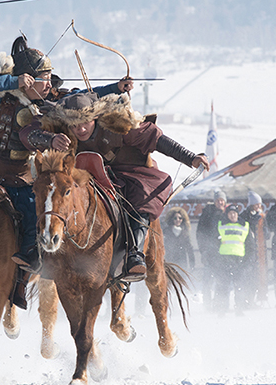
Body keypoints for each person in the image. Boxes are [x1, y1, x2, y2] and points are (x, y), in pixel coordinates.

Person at [0, 38, 131, 277]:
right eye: (44, 77)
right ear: (28, 79)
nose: (49, 83)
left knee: (38, 211)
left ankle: (27, 266)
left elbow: (84, 96)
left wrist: (116, 87)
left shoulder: (50, 103)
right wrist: (14, 80)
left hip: (23, 177)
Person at [40, 91, 209, 281]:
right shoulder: (62, 132)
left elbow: (158, 140)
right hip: (85, 179)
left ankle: (135, 253)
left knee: (141, 196)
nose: (80, 130)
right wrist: (50, 140)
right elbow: (29, 135)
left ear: (95, 117)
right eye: (74, 125)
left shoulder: (119, 125)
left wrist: (191, 158)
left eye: (84, 123)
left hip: (127, 174)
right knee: (48, 196)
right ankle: (43, 254)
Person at [215, 204, 251, 315]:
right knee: (223, 286)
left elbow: (250, 245)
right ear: (227, 214)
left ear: (237, 214)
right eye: (230, 213)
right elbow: (215, 242)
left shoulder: (245, 226)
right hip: (224, 259)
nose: (232, 215)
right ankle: (222, 309)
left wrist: (248, 261)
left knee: (239, 286)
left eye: (234, 213)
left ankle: (239, 309)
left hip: (239, 260)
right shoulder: (221, 225)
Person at [195, 190, 227, 307]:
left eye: (222, 200)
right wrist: (203, 250)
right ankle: (208, 304)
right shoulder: (207, 213)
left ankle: (219, 303)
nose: (220, 202)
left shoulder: (227, 214)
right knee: (208, 279)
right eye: (218, 200)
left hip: (224, 251)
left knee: (222, 279)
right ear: (214, 202)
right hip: (209, 251)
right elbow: (200, 233)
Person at [238, 191, 268, 306]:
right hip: (248, 250)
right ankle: (247, 300)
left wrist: (265, 230)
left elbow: (267, 233)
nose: (258, 207)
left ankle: (256, 299)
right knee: (248, 277)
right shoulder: (244, 216)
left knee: (258, 277)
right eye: (256, 204)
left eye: (259, 204)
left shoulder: (262, 217)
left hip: (259, 251)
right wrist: (252, 222)